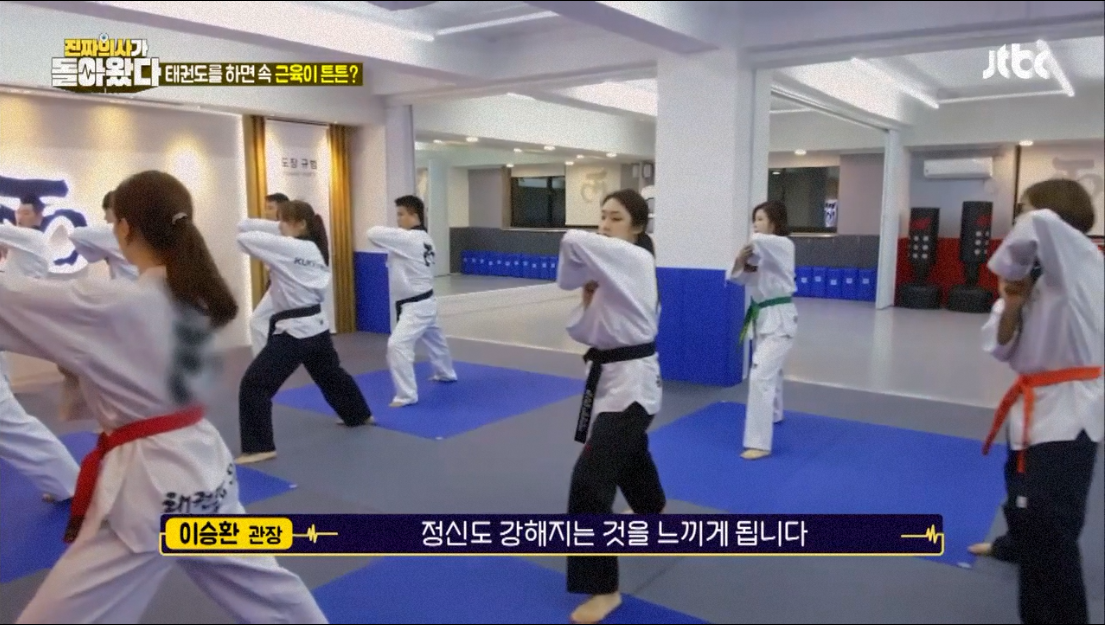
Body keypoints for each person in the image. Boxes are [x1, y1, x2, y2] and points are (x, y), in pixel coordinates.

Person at [0, 170, 328, 624]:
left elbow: (11, 298)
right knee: (271, 593)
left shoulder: (109, 305)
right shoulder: (193, 296)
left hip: (149, 487)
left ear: (124, 228)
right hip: (203, 465)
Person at [980, 178, 1103, 625]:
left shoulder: (1082, 264)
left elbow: (1041, 223)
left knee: (1050, 529)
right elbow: (1001, 347)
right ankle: (1013, 545)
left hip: (1069, 416)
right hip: (1030, 409)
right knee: (1021, 494)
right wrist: (1013, 303)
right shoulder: (1034, 280)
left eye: (1023, 208)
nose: (1018, 218)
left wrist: (1011, 259)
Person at [557, 189, 665, 625]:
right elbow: (586, 332)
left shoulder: (636, 259)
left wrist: (581, 275)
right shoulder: (612, 273)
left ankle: (603, 588)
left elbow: (570, 241)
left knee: (588, 482)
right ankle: (651, 506)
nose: (603, 225)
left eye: (615, 218)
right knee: (628, 450)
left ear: (637, 226)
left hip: (632, 385)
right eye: (601, 216)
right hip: (608, 381)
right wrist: (587, 299)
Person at [236, 199, 373, 464]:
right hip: (317, 329)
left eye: (283, 220)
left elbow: (243, 236)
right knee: (330, 374)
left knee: (254, 384)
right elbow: (246, 230)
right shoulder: (313, 249)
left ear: (300, 224)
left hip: (295, 332)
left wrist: (275, 229)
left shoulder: (289, 247)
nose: (279, 225)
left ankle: (259, 447)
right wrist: (282, 227)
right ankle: (358, 414)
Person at [0, 221, 81, 503]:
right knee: (16, 430)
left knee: (16, 430)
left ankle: (71, 485)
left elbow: (35, 246)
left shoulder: (8, 284)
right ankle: (69, 484)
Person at [366, 195, 457, 407]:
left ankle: (406, 395)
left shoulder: (408, 239)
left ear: (414, 215)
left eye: (401, 214)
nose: (398, 219)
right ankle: (445, 372)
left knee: (397, 345)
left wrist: (398, 234)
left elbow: (371, 233)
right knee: (436, 340)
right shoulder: (425, 238)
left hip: (416, 305)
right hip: (426, 301)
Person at [727, 200, 798, 460]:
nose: (755, 225)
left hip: (780, 318)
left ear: (775, 223)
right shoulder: (763, 252)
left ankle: (759, 442)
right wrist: (740, 261)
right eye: (754, 220)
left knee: (760, 376)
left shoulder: (782, 245)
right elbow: (738, 278)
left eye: (760, 219)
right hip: (762, 317)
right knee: (772, 371)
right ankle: (775, 413)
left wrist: (749, 249)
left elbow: (757, 241)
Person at [246, 193, 289, 357]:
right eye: (266, 208)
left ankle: (265, 359)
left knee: (258, 321)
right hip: (276, 282)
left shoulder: (286, 231)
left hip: (284, 285)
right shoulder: (272, 230)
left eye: (270, 208)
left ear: (281, 209)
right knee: (273, 323)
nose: (266, 212)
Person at [68, 191, 140, 281]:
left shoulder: (112, 231)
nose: (105, 218)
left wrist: (101, 253)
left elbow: (75, 234)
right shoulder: (140, 230)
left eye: (106, 212)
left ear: (113, 210)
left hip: (126, 287)